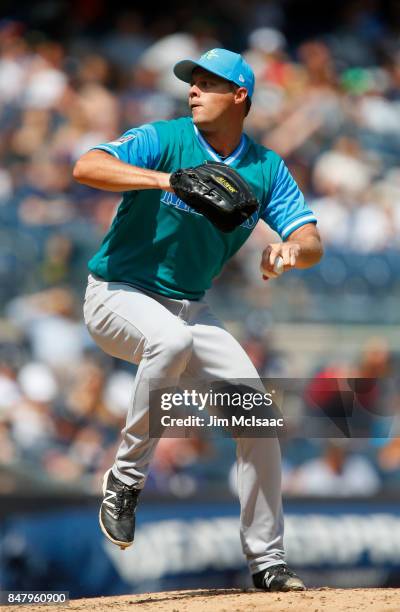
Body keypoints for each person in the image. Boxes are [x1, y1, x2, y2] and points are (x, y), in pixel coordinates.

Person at [73, 48, 323, 592]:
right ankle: (127, 478)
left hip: (190, 305)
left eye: (208, 83)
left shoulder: (266, 168)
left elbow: (310, 239)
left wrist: (289, 252)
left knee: (257, 420)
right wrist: (166, 182)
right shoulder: (166, 138)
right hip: (117, 294)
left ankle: (268, 561)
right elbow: (86, 165)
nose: (193, 90)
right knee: (168, 339)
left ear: (240, 97)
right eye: (192, 82)